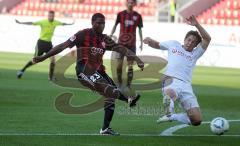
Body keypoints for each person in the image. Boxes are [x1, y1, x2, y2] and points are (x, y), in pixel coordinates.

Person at [33, 13, 144, 135]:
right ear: (92, 23)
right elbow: (63, 46)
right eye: (99, 23)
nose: (101, 25)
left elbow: (121, 48)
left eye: (103, 23)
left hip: (100, 71)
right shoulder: (82, 34)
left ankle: (105, 129)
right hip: (84, 70)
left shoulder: (105, 39)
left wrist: (137, 59)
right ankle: (129, 99)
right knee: (110, 90)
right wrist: (44, 57)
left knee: (111, 96)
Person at [143, 15, 211, 126]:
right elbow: (158, 44)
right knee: (170, 95)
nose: (190, 43)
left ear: (196, 45)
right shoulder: (173, 44)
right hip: (170, 80)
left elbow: (207, 39)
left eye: (193, 42)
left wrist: (197, 25)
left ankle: (172, 116)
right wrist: (150, 41)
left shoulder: (195, 54)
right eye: (189, 40)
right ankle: (169, 112)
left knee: (196, 120)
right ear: (184, 39)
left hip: (186, 85)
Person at [16, 10, 74, 80]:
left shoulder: (56, 22)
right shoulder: (43, 22)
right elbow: (32, 23)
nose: (50, 17)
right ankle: (22, 70)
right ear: (48, 16)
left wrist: (71, 23)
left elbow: (63, 24)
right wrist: (21, 22)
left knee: (53, 61)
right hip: (41, 43)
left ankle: (51, 76)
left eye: (52, 16)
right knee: (35, 60)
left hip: (49, 44)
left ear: (53, 16)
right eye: (49, 16)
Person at [110, 0, 143, 89]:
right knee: (118, 66)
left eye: (132, 2)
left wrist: (141, 42)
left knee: (130, 66)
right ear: (126, 3)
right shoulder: (120, 14)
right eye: (129, 2)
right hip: (121, 44)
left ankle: (128, 85)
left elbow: (140, 29)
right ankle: (120, 83)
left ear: (134, 4)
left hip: (132, 44)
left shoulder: (138, 16)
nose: (130, 4)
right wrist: (111, 34)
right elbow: (115, 25)